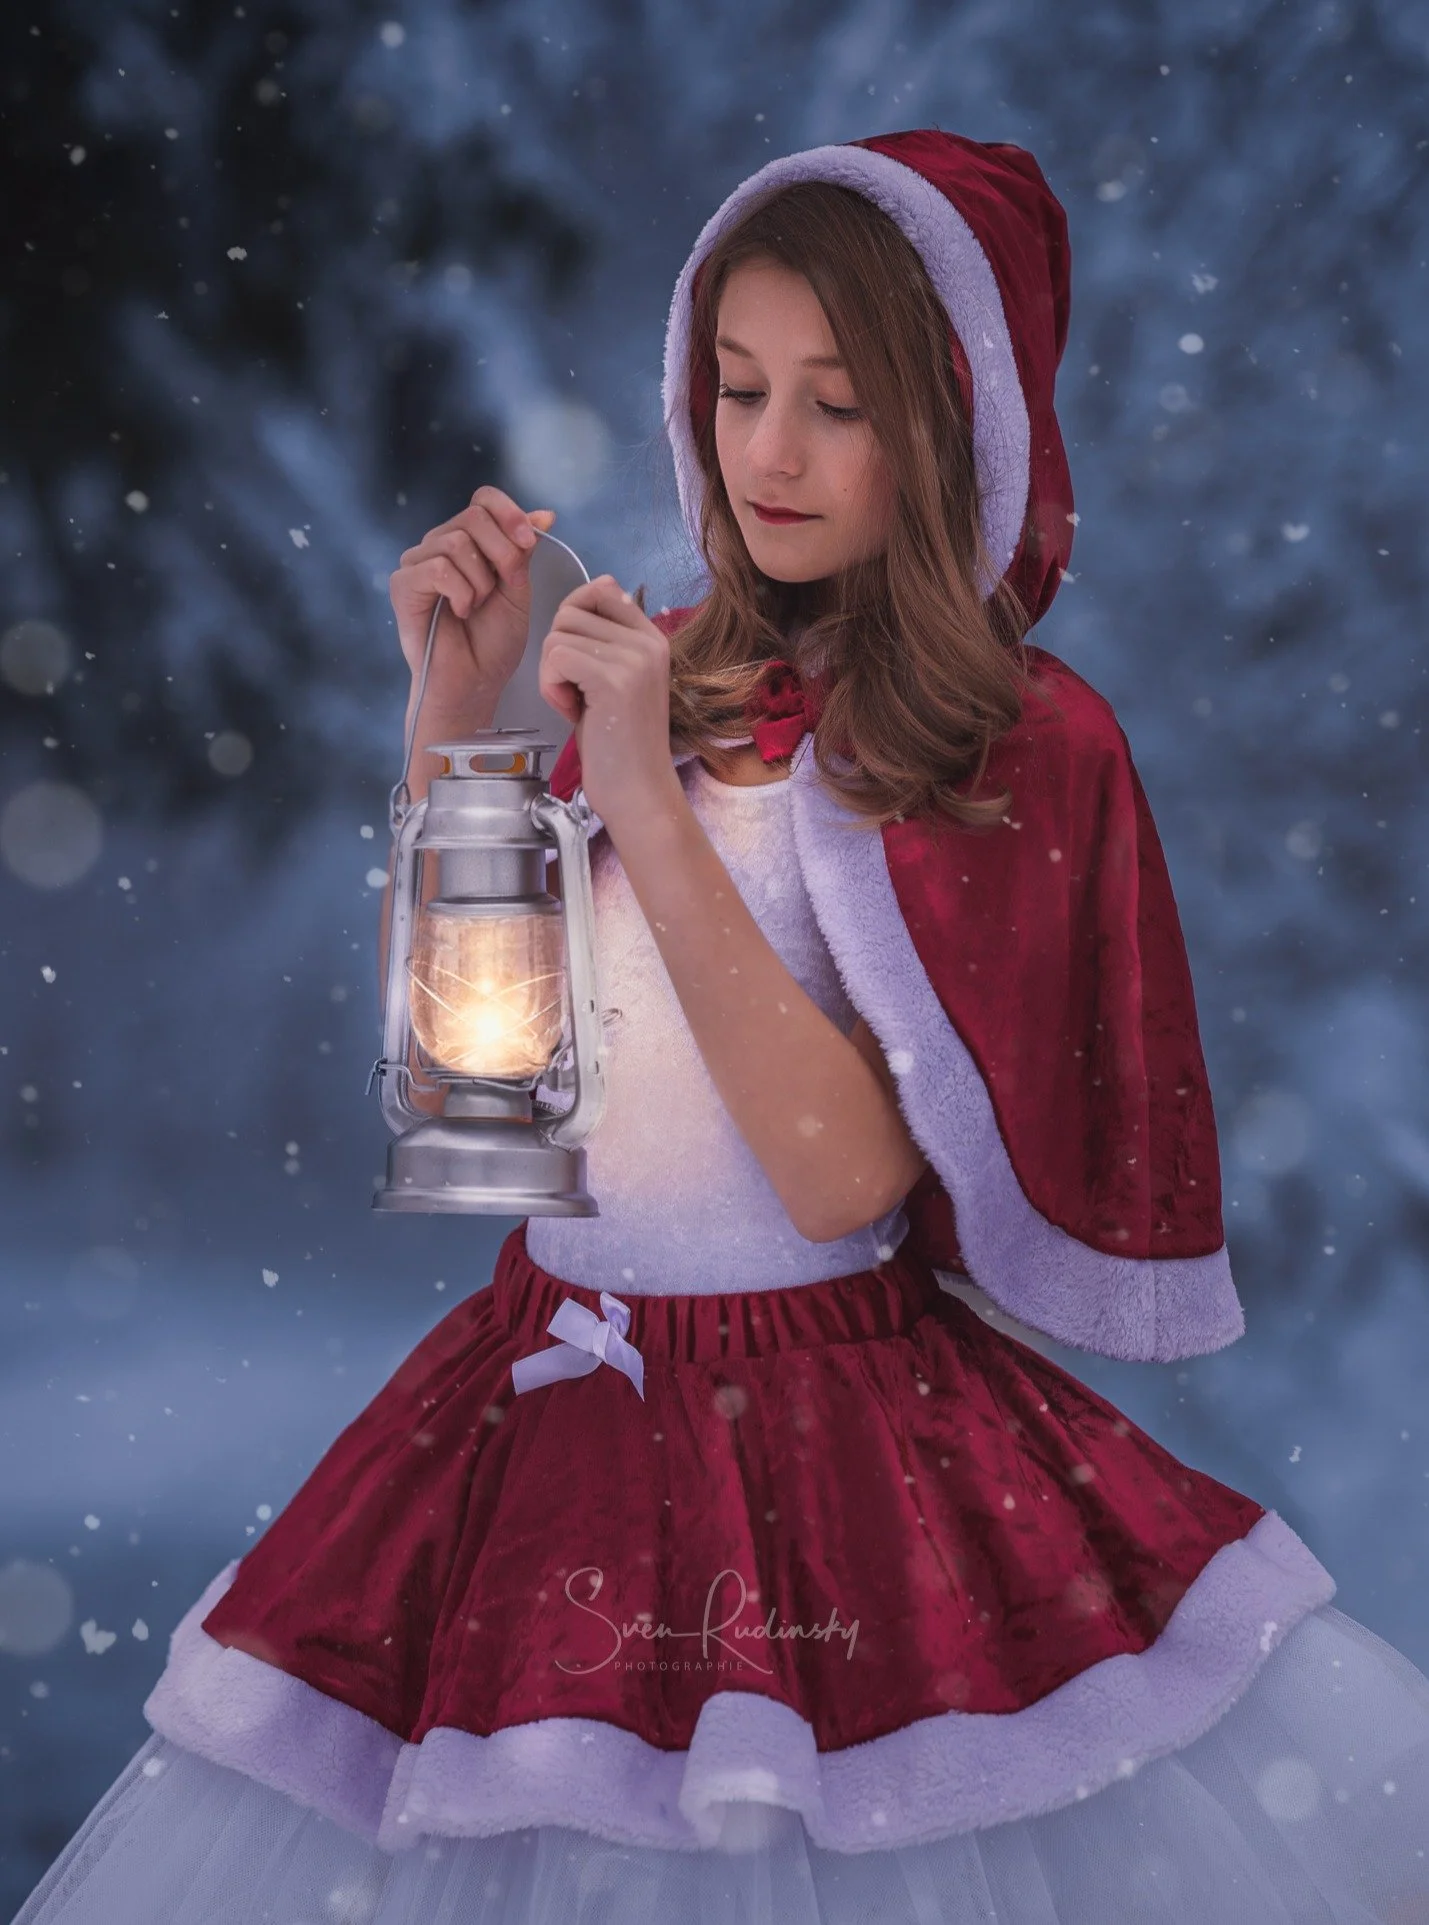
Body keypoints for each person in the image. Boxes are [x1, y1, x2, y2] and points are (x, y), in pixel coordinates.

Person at [14, 128, 1429, 1925]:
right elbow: (482, 1097)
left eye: (837, 404)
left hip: (844, 1449)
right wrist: (453, 735)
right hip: (543, 1419)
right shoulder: (660, 668)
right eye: (739, 387)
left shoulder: (1007, 742)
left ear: (959, 418)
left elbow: (840, 1180)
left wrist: (647, 807)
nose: (768, 451)